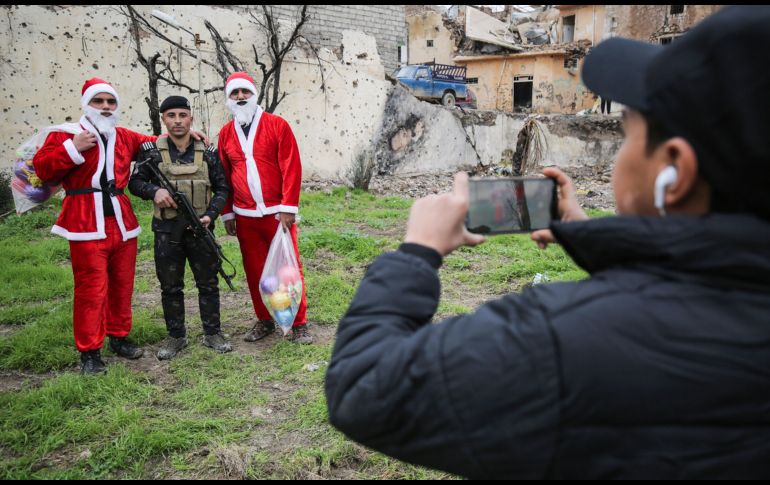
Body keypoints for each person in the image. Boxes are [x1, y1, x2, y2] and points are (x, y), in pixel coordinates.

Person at [325, 6, 770, 479]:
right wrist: (589, 233)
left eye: (627, 134)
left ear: (674, 171)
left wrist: (417, 253)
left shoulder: (562, 340)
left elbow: (363, 388)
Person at [32, 78, 155, 374]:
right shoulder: (66, 134)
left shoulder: (124, 136)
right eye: (99, 101)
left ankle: (119, 337)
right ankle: (89, 351)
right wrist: (72, 148)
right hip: (85, 220)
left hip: (122, 221)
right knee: (91, 289)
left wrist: (191, 134)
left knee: (123, 284)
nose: (105, 107)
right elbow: (42, 168)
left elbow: (154, 142)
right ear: (87, 104)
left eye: (110, 102)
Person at [129, 95, 232, 359]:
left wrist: (211, 214)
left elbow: (222, 188)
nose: (177, 121)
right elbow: (135, 183)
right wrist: (153, 191)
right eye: (171, 115)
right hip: (166, 231)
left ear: (190, 118)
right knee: (170, 286)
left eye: (182, 115)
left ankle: (213, 333)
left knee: (208, 283)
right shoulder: (150, 151)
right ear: (163, 119)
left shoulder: (207, 151)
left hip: (201, 228)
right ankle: (176, 337)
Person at [216, 72, 312, 344]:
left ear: (254, 93)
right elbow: (222, 175)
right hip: (244, 215)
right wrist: (227, 212)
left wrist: (288, 207)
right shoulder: (225, 134)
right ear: (228, 99)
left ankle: (299, 322)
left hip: (276, 213)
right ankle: (265, 319)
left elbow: (291, 166)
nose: (240, 97)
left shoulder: (276, 125)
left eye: (244, 92)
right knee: (256, 269)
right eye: (235, 93)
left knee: (287, 268)